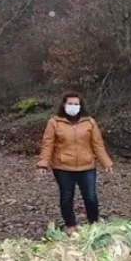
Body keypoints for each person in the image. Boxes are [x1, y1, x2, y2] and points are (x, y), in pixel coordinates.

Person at [36, 92, 113, 234]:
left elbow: (98, 144)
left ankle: (94, 222)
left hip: (87, 166)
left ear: (81, 106)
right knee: (66, 196)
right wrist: (43, 164)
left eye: (76, 104)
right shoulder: (54, 122)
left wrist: (106, 162)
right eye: (70, 103)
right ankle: (70, 225)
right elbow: (48, 144)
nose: (73, 106)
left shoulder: (89, 122)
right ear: (64, 105)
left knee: (90, 197)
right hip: (62, 166)